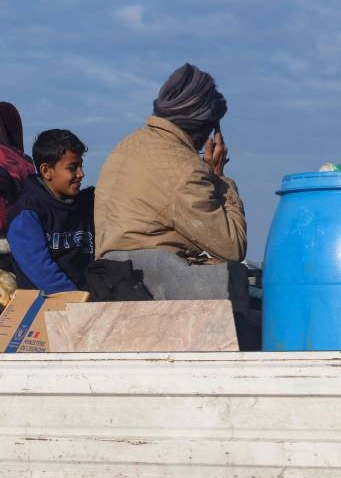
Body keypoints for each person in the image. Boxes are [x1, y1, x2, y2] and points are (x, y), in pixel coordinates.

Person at [93, 62, 247, 305]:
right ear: (205, 126)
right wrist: (219, 178)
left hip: (113, 278)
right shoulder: (186, 170)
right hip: (154, 284)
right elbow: (233, 247)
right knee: (241, 282)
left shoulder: (126, 145)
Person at [6, 129, 94, 293]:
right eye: (72, 168)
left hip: (89, 297)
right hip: (49, 302)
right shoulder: (27, 212)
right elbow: (40, 270)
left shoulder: (86, 203)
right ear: (47, 171)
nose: (81, 174)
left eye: (81, 165)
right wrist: (76, 300)